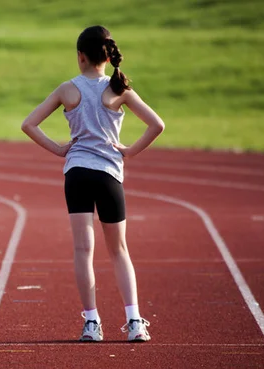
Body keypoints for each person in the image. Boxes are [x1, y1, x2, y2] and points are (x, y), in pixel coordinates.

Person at [21, 25, 165, 342]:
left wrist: (59, 149)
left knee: (83, 251)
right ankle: (135, 322)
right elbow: (157, 124)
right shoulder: (119, 88)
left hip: (77, 175)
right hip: (109, 175)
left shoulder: (66, 89)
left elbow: (28, 124)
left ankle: (91, 323)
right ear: (106, 55)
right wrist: (129, 151)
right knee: (119, 251)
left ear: (80, 56)